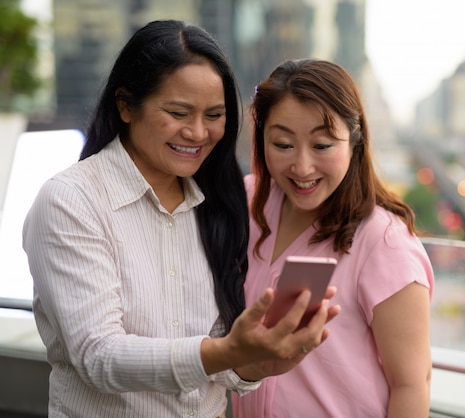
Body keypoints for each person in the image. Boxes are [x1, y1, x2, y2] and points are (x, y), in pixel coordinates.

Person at [22, 21, 339, 418]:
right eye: (178, 112)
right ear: (125, 106)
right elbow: (99, 356)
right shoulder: (71, 201)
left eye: (214, 115)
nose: (197, 132)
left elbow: (222, 357)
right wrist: (225, 352)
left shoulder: (219, 204)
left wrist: (259, 360)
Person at [232, 59, 435, 418]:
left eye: (322, 146)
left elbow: (412, 384)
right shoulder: (246, 204)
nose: (302, 166)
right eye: (282, 144)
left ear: (355, 141)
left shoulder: (383, 242)